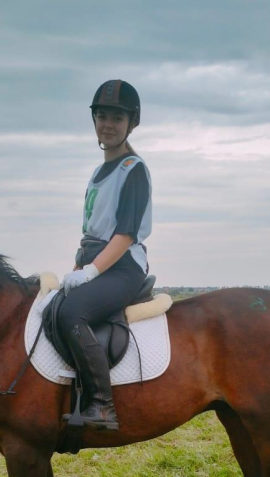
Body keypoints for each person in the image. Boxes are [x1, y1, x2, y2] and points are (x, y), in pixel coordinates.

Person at [57, 79, 152, 431]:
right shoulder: (98, 173)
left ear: (131, 123)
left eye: (116, 117)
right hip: (96, 263)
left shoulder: (134, 170)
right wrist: (78, 268)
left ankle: (102, 404)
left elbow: (125, 234)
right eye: (101, 116)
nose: (108, 124)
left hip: (122, 268)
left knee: (72, 313)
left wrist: (90, 273)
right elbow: (92, 232)